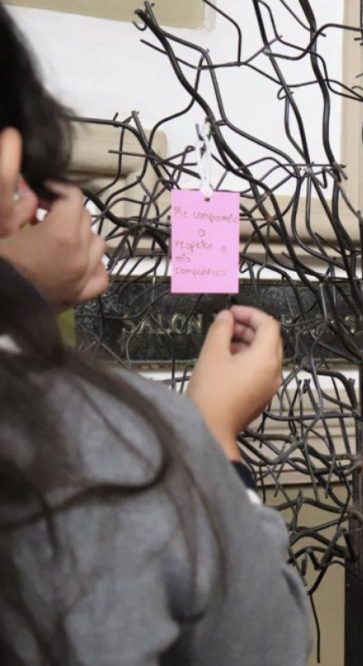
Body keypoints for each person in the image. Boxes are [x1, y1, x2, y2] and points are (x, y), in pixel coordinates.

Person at [0, 6, 309, 664]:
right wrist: (215, 436)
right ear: (9, 163)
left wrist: (22, 286)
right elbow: (268, 644)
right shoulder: (113, 443)